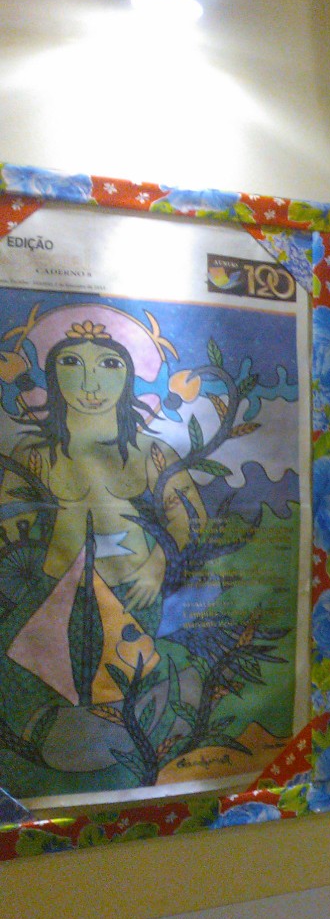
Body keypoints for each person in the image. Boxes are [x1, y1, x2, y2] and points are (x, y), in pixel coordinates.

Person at [0, 307, 200, 766]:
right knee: (30, 666)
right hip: (50, 584)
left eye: (110, 365)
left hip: (133, 586)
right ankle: (54, 740)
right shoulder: (33, 453)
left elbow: (189, 518)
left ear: (129, 378)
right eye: (72, 363)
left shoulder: (152, 452)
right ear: (52, 376)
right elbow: (8, 524)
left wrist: (156, 565)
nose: (91, 383)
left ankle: (142, 722)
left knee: (131, 668)